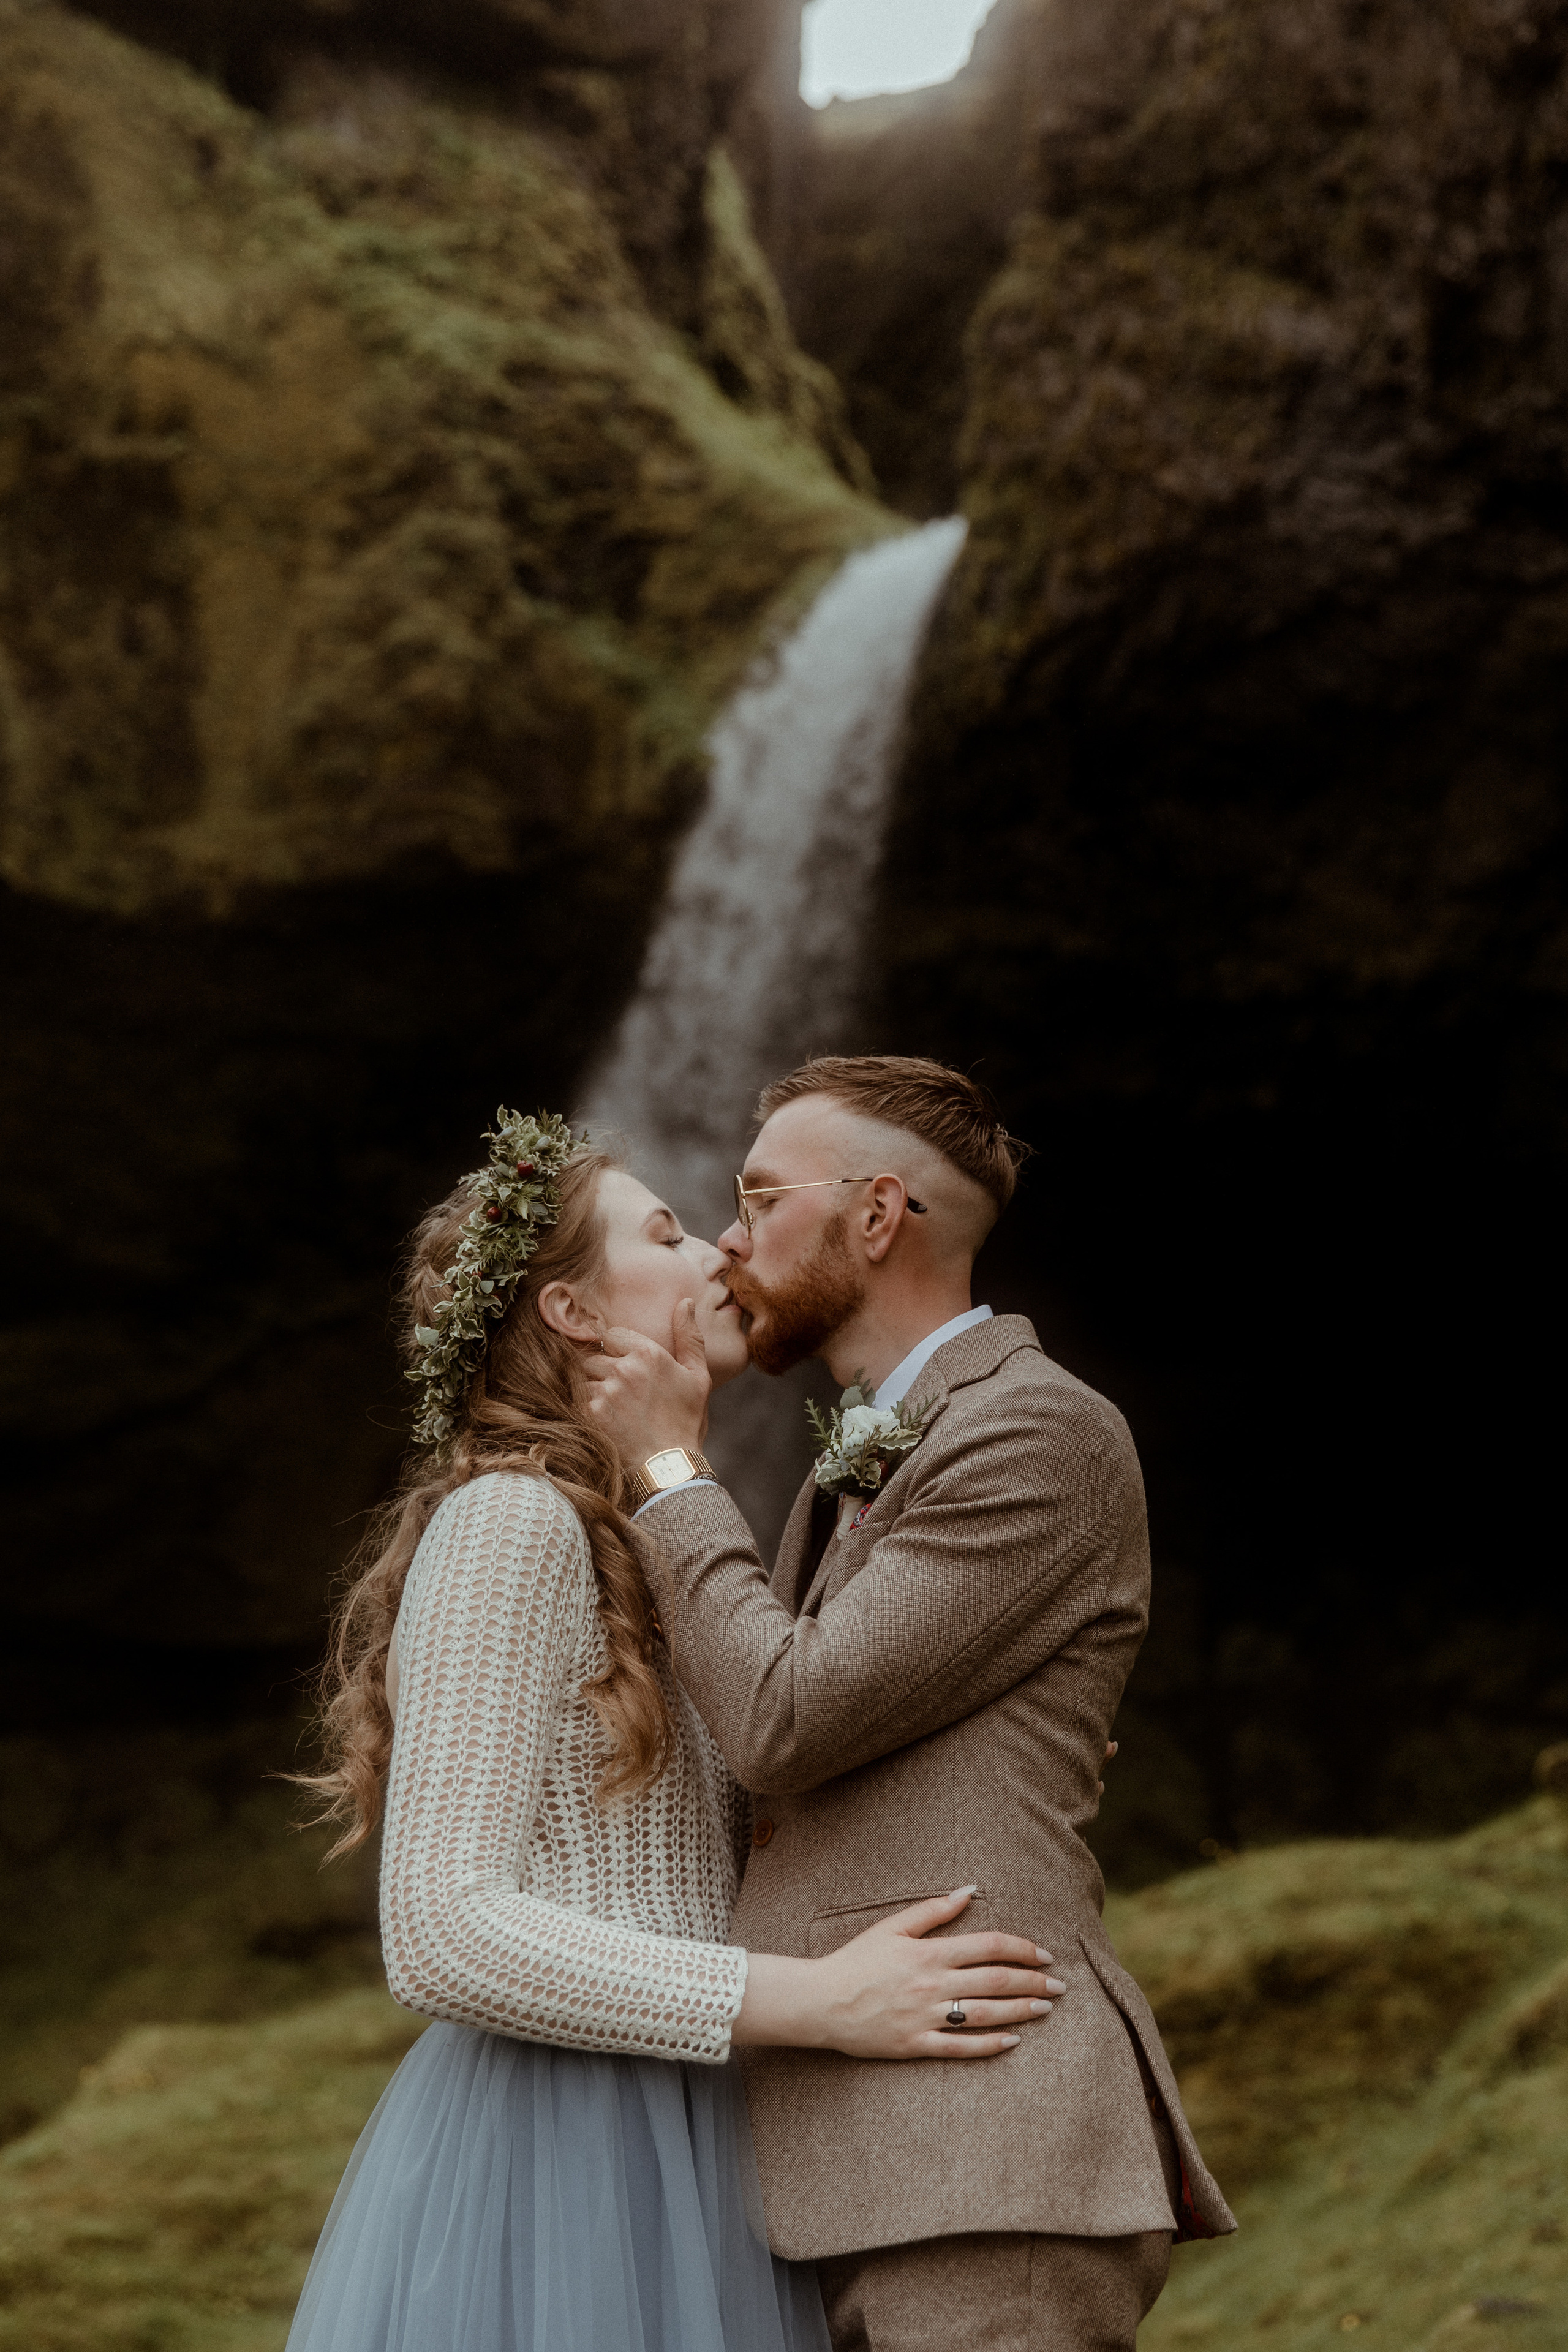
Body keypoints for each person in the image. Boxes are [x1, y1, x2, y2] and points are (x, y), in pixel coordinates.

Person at [286, 1109, 1064, 2352]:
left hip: (695, 2131)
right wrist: (817, 2001)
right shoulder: (512, 1525)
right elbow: (437, 1933)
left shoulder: (643, 1534)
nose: (716, 1248)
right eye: (662, 1231)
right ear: (574, 1316)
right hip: (561, 2153)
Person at [584, 1057, 1237, 2352]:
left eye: (758, 1198)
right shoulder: (878, 1442)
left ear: (874, 1216)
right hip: (854, 2152)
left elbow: (782, 1717)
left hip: (976, 2151)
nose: (726, 1238)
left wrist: (664, 1468)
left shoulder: (1032, 1428)